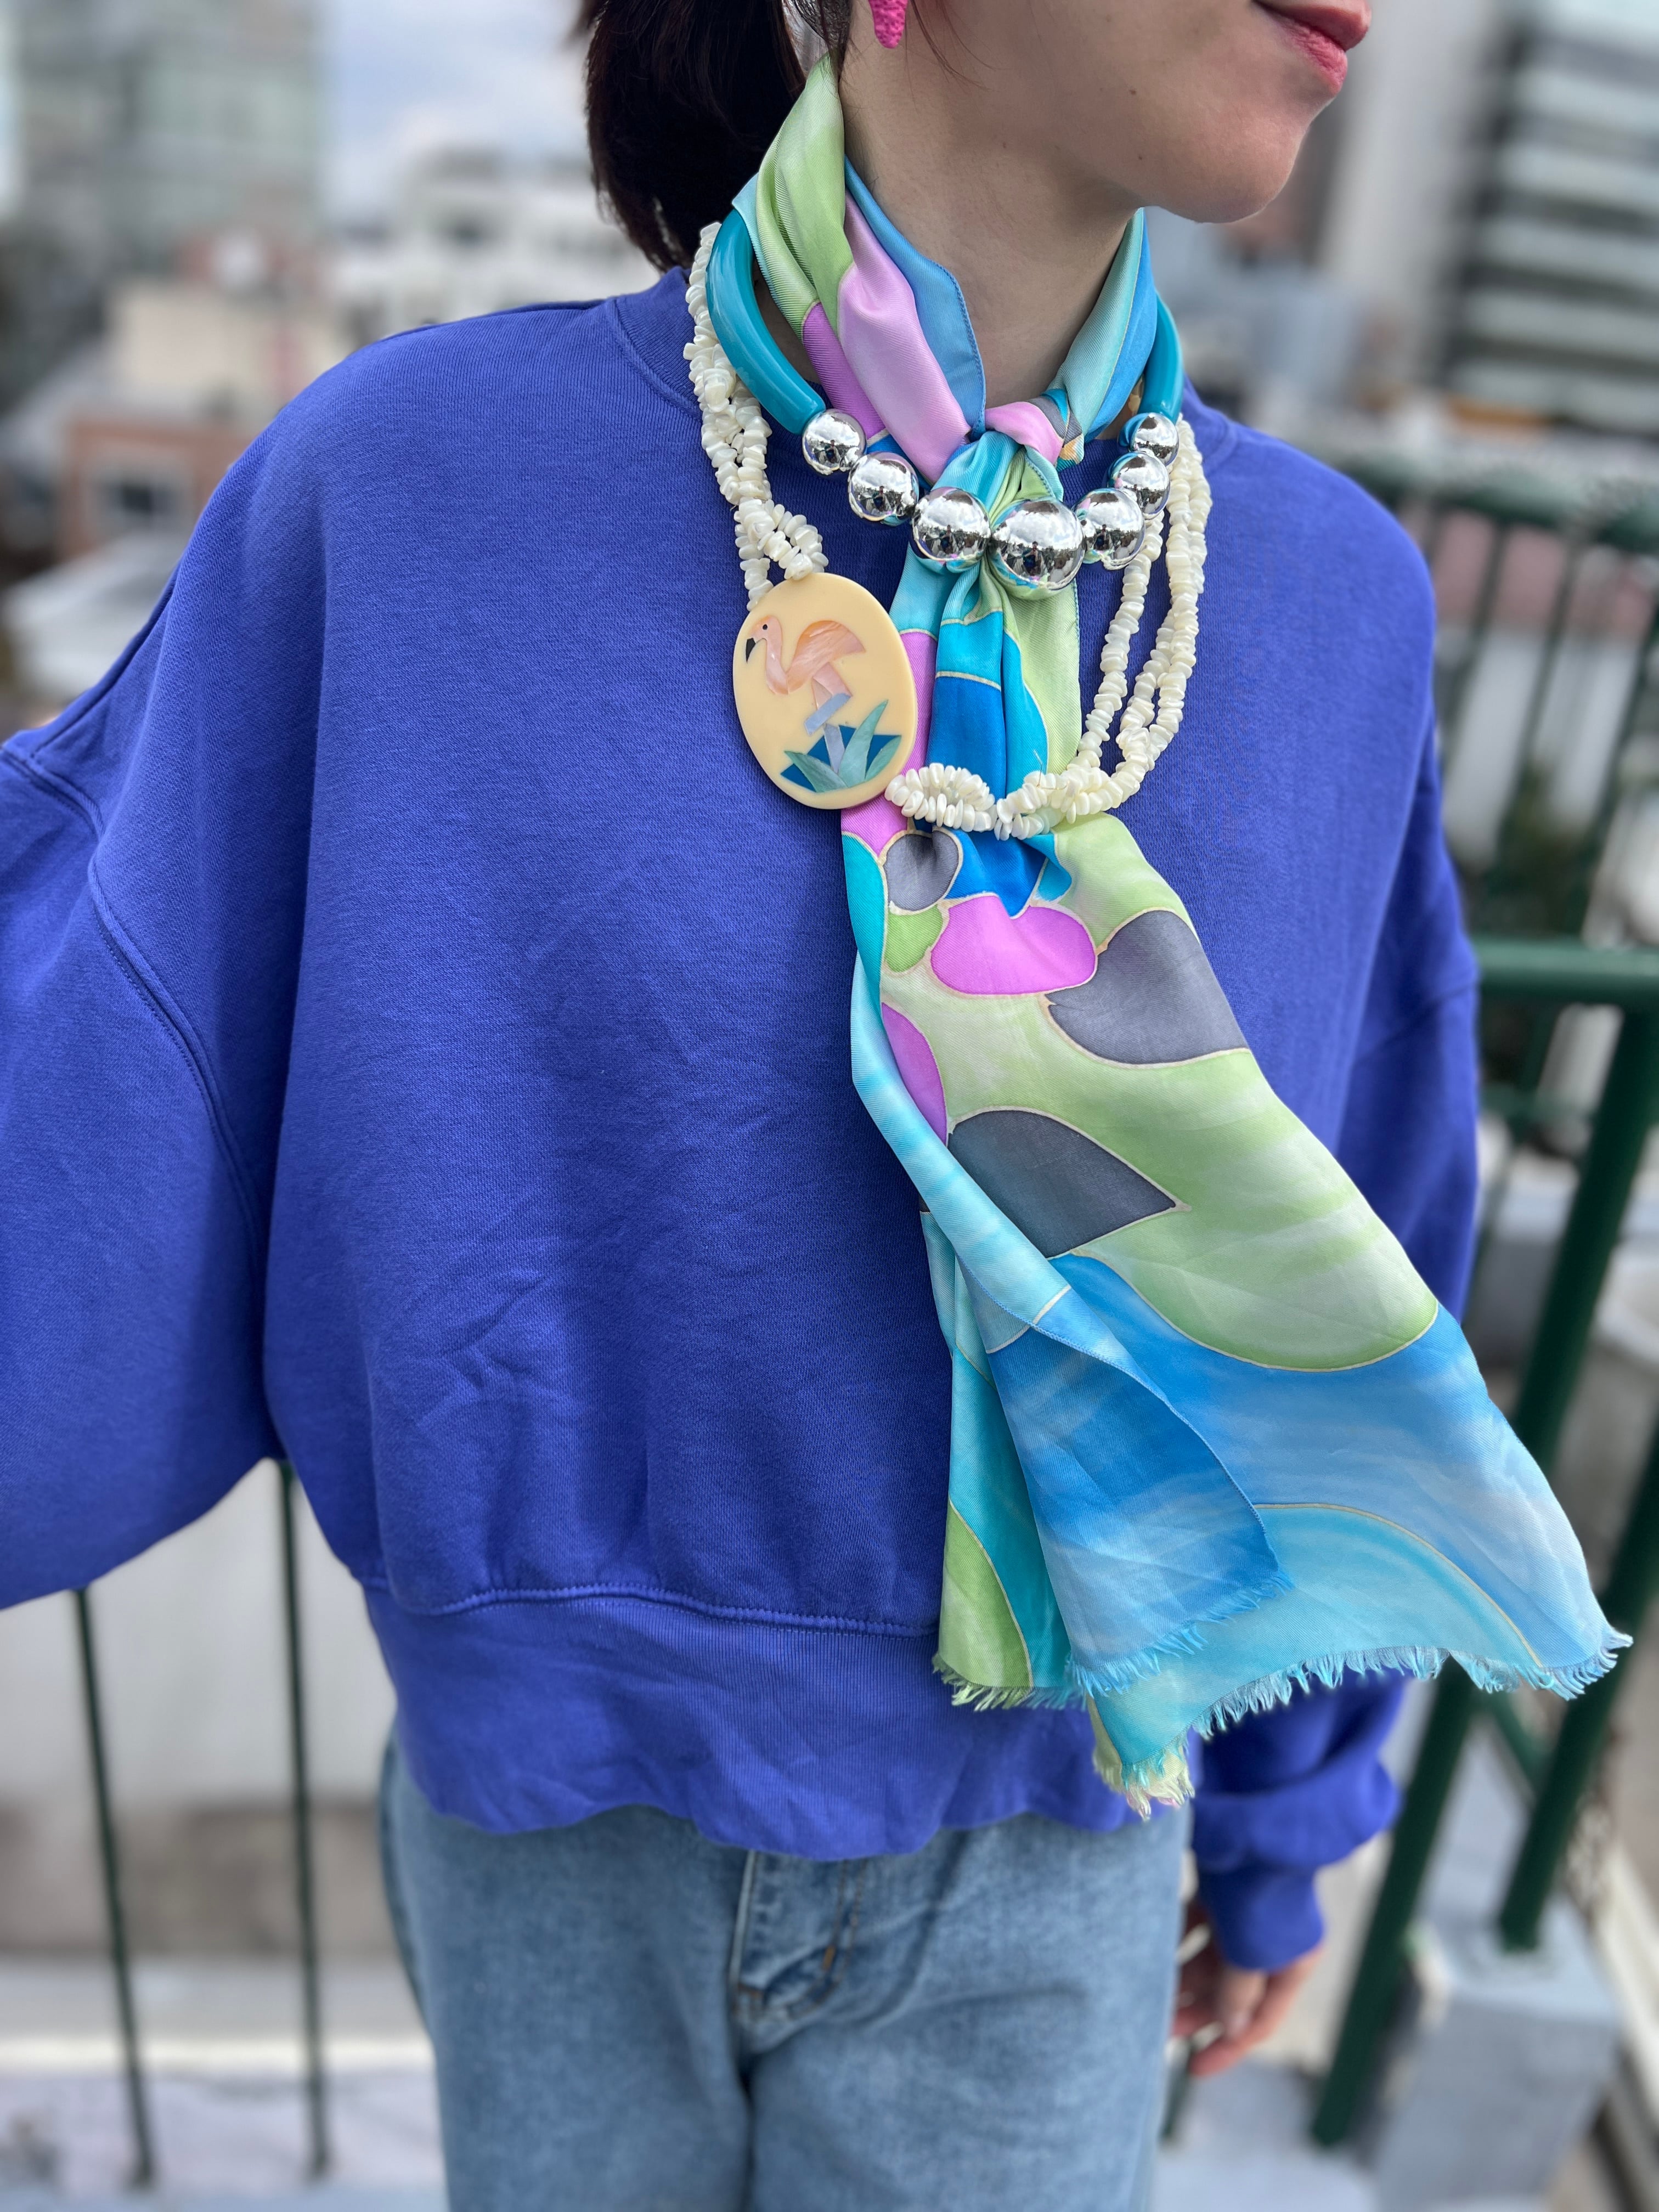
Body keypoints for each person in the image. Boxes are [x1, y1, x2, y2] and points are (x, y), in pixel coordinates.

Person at [0, 0, 1613, 2205]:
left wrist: (1288, 1804)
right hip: (547, 1830)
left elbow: (1369, 1225)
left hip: (1074, 1835)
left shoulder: (1333, 609)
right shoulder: (411, 494)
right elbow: (109, 1076)